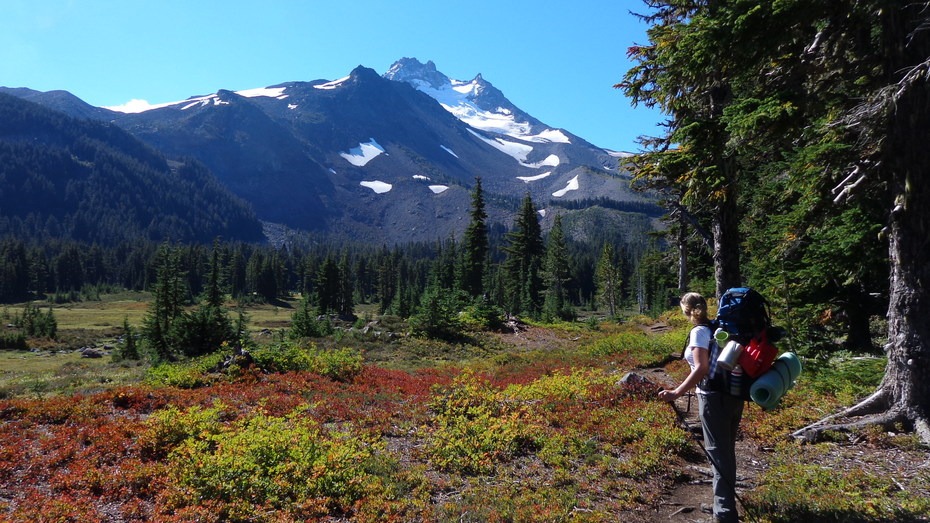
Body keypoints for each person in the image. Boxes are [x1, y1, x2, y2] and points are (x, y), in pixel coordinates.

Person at [658, 292, 743, 523]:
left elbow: (701, 368)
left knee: (718, 456)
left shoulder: (699, 332)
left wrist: (676, 392)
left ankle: (724, 515)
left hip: (713, 399)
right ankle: (722, 505)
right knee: (726, 453)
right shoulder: (716, 327)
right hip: (733, 396)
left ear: (686, 311)